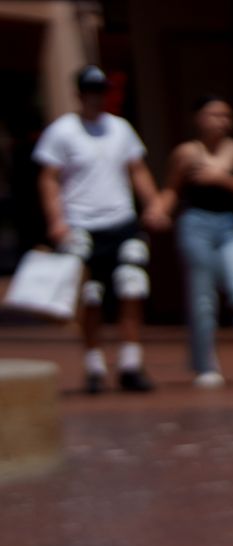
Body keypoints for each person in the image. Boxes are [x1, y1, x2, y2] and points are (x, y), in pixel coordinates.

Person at [146, 95, 233, 388]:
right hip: (195, 225)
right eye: (214, 115)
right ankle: (205, 365)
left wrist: (220, 178)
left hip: (230, 226)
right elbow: (171, 190)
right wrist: (157, 210)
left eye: (226, 115)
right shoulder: (186, 153)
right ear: (198, 118)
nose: (221, 121)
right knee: (202, 299)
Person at [33, 66, 159, 394]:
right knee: (90, 296)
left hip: (121, 220)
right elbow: (49, 178)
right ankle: (94, 365)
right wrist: (56, 222)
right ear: (80, 93)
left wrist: (154, 203)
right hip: (81, 223)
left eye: (101, 91)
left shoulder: (120, 129)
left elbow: (137, 169)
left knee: (132, 287)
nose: (96, 97)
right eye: (91, 91)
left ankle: (131, 363)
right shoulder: (63, 131)